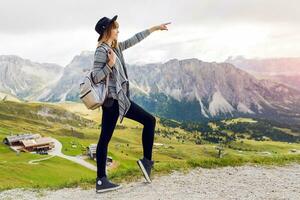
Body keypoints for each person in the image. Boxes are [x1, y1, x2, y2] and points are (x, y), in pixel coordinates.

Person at [92, 15, 171, 193]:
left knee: (105, 139)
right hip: (113, 102)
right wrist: (110, 65)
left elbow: (135, 39)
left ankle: (101, 180)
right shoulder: (101, 51)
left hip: (118, 101)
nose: (118, 30)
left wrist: (154, 28)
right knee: (149, 121)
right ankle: (145, 163)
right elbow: (96, 77)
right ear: (107, 30)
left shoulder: (115, 47)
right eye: (115, 27)